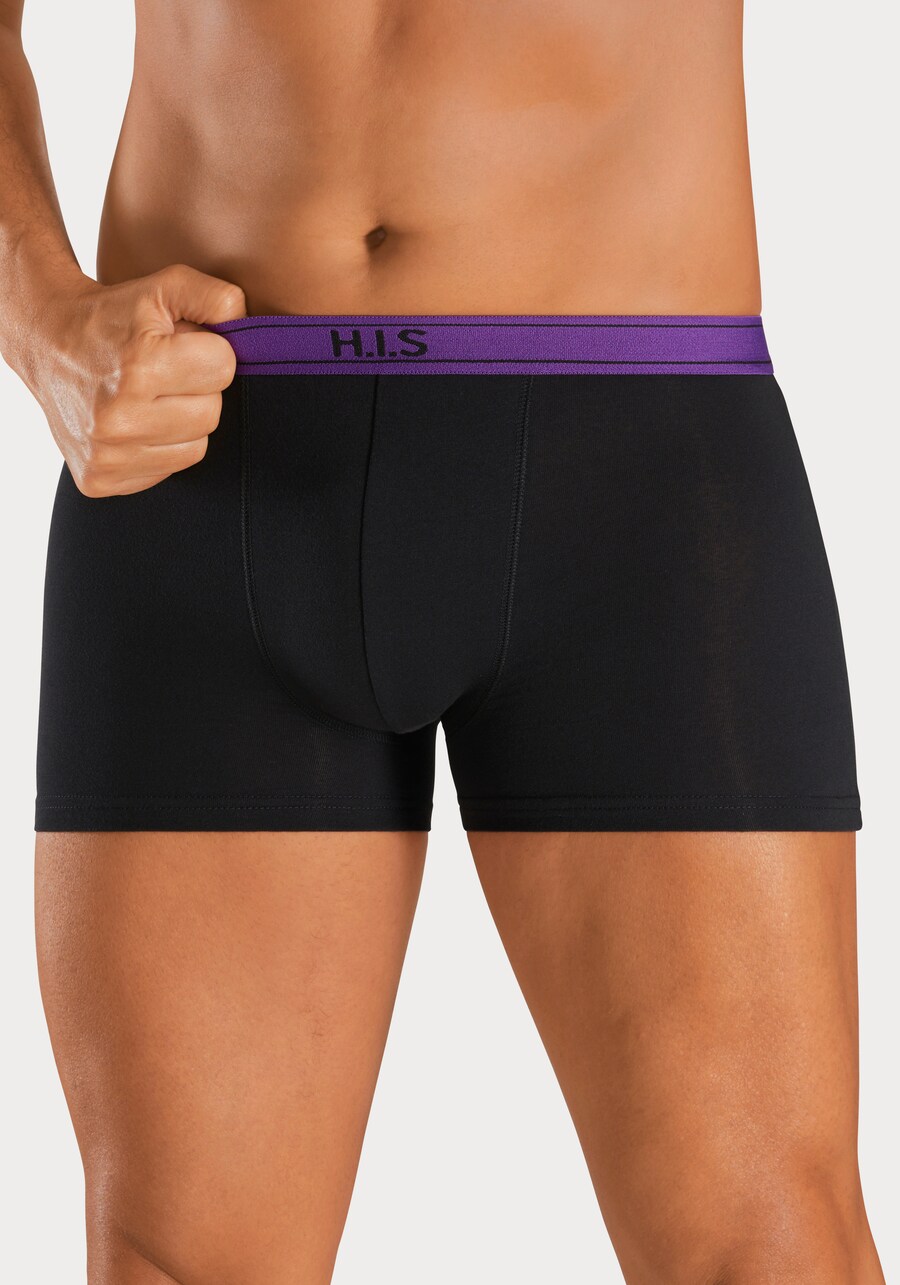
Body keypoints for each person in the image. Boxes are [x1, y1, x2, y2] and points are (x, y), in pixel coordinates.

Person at [0, 1, 885, 1281]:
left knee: (768, 1248)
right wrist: (40, 319)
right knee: (173, 1261)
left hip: (630, 455)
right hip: (194, 446)